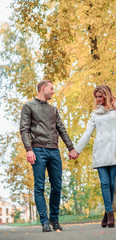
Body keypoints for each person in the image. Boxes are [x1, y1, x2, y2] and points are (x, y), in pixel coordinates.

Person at [20, 80, 78, 232]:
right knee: (39, 186)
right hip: (38, 150)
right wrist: (28, 149)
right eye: (51, 89)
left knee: (57, 186)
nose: (53, 92)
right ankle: (44, 221)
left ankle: (54, 218)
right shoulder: (28, 107)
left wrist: (71, 148)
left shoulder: (53, 109)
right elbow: (24, 129)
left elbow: (61, 129)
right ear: (43, 88)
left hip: (54, 151)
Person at [69, 84, 116, 228]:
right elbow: (87, 133)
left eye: (100, 96)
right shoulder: (95, 113)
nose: (98, 99)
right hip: (101, 149)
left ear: (107, 95)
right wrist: (76, 150)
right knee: (104, 182)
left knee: (112, 183)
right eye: (96, 97)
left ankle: (106, 214)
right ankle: (110, 213)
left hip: (114, 147)